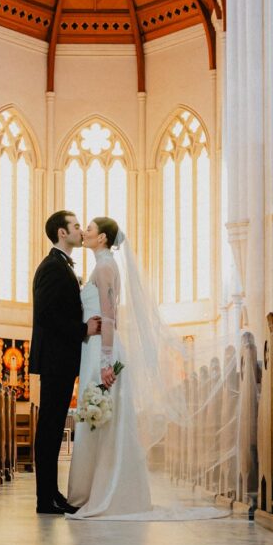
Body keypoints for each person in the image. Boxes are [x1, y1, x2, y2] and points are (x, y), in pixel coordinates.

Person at [66, 217, 228, 521]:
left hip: (102, 351)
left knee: (102, 422)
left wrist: (106, 362)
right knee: (101, 421)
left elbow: (109, 318)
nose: (85, 233)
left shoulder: (105, 267)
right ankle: (94, 490)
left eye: (89, 229)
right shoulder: (104, 265)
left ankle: (102, 492)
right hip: (98, 349)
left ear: (102, 238)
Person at [29, 210, 100, 515]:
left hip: (60, 359)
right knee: (49, 428)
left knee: (55, 427)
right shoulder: (52, 267)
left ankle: (51, 493)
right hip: (55, 360)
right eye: (75, 226)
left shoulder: (62, 265)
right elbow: (47, 315)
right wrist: (83, 329)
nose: (80, 230)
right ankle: (44, 499)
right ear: (61, 232)